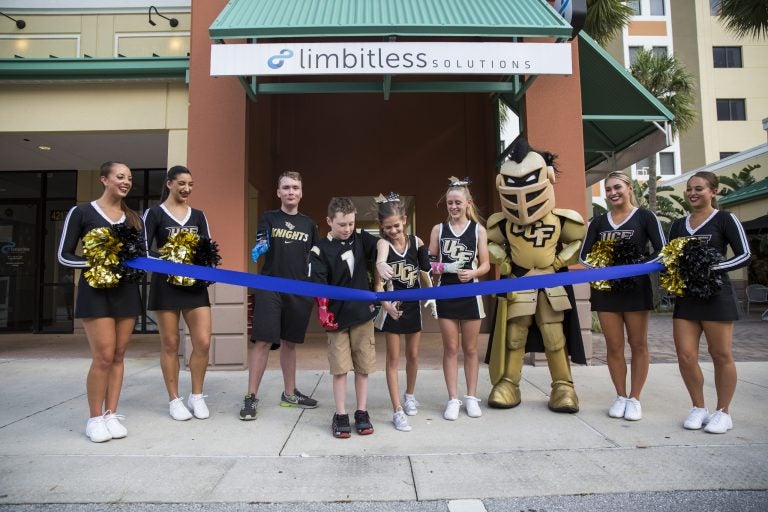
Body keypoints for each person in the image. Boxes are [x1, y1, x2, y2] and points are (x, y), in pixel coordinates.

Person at [484, 139, 587, 413]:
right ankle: (509, 382)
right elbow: (490, 241)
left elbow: (579, 242)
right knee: (514, 336)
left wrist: (560, 259)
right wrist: (503, 261)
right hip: (519, 282)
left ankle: (563, 385)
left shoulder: (561, 219)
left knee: (555, 336)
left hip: (551, 282)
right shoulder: (502, 222)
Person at [57, 161, 143, 443]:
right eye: (120, 176)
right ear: (104, 179)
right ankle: (94, 418)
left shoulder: (133, 218)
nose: (126, 181)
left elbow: (140, 258)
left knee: (119, 355)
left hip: (127, 292)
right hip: (95, 292)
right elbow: (64, 255)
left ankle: (111, 413)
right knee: (103, 356)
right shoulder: (81, 212)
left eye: (129, 178)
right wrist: (97, 262)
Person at [579, 171, 666, 421]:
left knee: (638, 344)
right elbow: (584, 256)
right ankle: (620, 395)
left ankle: (635, 398)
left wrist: (635, 266)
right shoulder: (598, 222)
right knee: (614, 345)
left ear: (629, 188)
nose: (612, 193)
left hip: (636, 290)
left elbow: (662, 251)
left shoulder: (645, 217)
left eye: (617, 187)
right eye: (608, 190)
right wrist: (602, 267)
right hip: (606, 291)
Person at [669, 171, 751, 434]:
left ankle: (723, 412)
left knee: (721, 355)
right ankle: (698, 407)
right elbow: (669, 258)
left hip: (717, 296)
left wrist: (712, 268)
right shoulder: (679, 225)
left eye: (700, 189)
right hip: (687, 298)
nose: (693, 193)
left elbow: (745, 255)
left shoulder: (725, 219)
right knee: (685, 356)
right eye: (690, 189)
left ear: (713, 192)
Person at [240, 171, 320, 420]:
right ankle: (251, 397)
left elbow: (316, 257)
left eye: (295, 187)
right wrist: (260, 245)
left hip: (299, 290)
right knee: (263, 341)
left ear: (301, 192)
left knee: (290, 343)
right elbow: (262, 237)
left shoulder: (309, 224)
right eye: (286, 187)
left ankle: (289, 393)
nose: (290, 192)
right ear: (278, 192)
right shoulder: (269, 218)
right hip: (270, 287)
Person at [143, 165, 213, 421]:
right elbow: (143, 250)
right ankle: (174, 399)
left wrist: (203, 263)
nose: (187, 189)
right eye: (182, 183)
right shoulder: (154, 214)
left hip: (194, 286)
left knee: (203, 341)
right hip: (165, 285)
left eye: (191, 184)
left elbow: (208, 249)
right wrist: (169, 256)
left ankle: (197, 395)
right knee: (171, 343)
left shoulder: (198, 215)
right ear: (169, 184)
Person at [310, 197, 380, 438]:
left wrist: (380, 261)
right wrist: (323, 309)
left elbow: (383, 245)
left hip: (362, 315)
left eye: (350, 223)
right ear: (329, 221)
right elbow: (317, 286)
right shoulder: (319, 250)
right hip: (337, 320)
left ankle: (362, 411)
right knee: (340, 368)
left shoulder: (360, 238)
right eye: (342, 224)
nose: (347, 229)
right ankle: (340, 414)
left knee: (363, 366)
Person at [429, 177, 490, 421]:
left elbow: (486, 264)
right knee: (451, 348)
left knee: (471, 348)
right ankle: (453, 398)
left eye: (458, 203)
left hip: (470, 293)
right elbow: (429, 263)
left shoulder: (478, 230)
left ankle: (471, 397)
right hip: (445, 293)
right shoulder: (438, 229)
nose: (453, 207)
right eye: (450, 203)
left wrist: (472, 272)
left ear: (468, 203)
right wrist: (445, 267)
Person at [373, 193, 435, 432]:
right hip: (393, 308)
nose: (393, 230)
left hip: (413, 307)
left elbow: (424, 272)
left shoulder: (416, 242)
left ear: (405, 221)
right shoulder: (383, 244)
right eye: (388, 227)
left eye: (397, 226)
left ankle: (410, 395)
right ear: (382, 226)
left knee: (413, 355)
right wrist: (385, 304)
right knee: (393, 359)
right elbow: (378, 283)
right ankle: (397, 409)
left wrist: (432, 296)